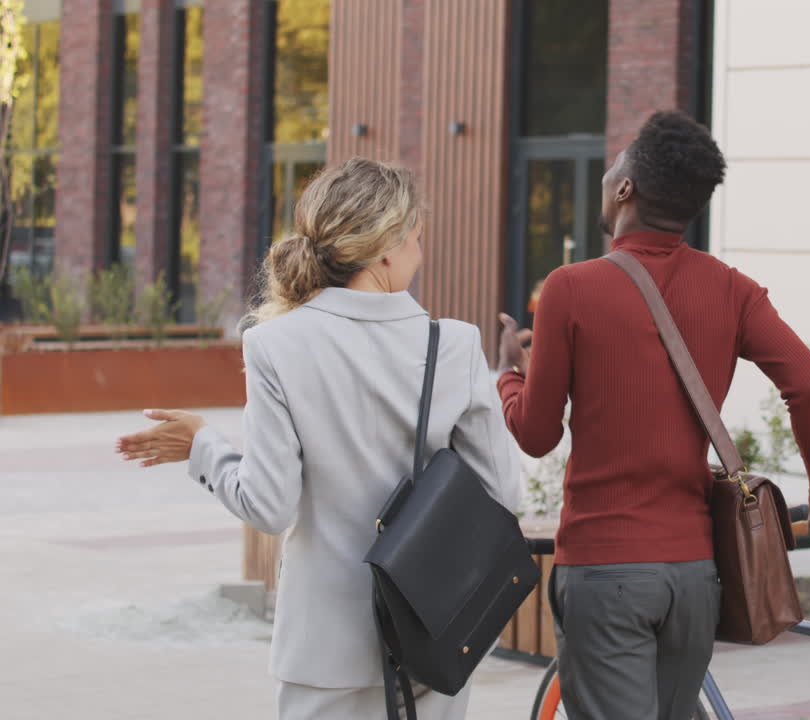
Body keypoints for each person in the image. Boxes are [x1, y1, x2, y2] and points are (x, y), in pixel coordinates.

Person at [115, 158, 519, 720]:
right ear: (385, 248)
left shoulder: (275, 345)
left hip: (322, 647)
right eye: (417, 240)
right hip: (434, 634)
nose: (420, 255)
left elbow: (269, 506)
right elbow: (505, 495)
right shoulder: (453, 345)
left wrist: (204, 445)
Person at [495, 110, 810, 720]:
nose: (611, 166)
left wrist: (511, 374)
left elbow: (536, 436)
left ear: (626, 189)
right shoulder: (733, 289)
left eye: (619, 159)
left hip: (604, 567)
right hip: (694, 575)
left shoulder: (570, 287)